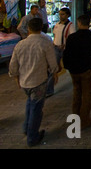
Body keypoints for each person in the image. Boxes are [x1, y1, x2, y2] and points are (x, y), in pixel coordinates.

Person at [8, 18, 59, 147]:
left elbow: (13, 66)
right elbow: (52, 63)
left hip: (24, 82)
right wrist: (55, 73)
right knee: (36, 108)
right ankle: (32, 137)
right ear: (41, 27)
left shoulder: (20, 44)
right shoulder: (45, 43)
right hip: (39, 82)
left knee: (30, 103)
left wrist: (16, 78)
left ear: (29, 29)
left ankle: (26, 128)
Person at [63, 14, 91, 130]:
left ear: (79, 23)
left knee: (76, 94)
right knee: (86, 95)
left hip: (74, 71)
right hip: (87, 71)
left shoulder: (72, 38)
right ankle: (84, 120)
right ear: (89, 23)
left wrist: (68, 67)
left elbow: (66, 54)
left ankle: (75, 119)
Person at [48, 7, 76, 97]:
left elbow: (72, 38)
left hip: (66, 50)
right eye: (60, 14)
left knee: (71, 67)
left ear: (67, 15)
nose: (60, 16)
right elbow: (55, 35)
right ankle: (49, 90)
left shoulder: (70, 25)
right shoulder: (57, 24)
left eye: (62, 14)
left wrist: (65, 45)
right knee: (52, 69)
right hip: (56, 48)